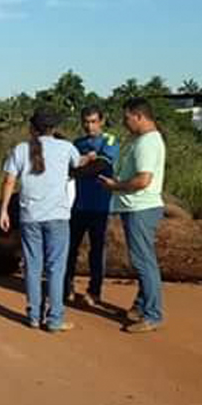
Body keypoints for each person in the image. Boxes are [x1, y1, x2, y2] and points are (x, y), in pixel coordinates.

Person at [0, 108, 82, 333]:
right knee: (56, 268)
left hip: (30, 216)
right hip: (57, 216)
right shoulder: (66, 148)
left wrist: (4, 210)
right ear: (54, 128)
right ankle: (55, 319)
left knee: (33, 267)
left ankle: (34, 316)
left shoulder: (20, 149)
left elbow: (9, 181)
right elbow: (79, 165)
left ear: (32, 128)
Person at [99, 98, 167, 333]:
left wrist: (115, 186)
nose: (125, 123)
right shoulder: (144, 140)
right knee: (143, 260)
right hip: (137, 207)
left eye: (127, 118)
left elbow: (143, 180)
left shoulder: (147, 142)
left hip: (141, 207)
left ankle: (152, 314)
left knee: (143, 262)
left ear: (138, 116)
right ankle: (141, 306)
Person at [65, 105, 120, 306]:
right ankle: (66, 286)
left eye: (94, 121)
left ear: (102, 121)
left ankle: (94, 291)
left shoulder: (110, 140)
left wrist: (77, 170)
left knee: (97, 250)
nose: (90, 126)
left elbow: (102, 165)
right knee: (70, 248)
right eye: (86, 122)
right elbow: (69, 165)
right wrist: (78, 167)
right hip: (77, 205)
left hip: (100, 205)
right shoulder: (77, 143)